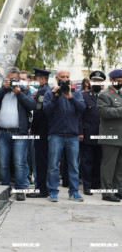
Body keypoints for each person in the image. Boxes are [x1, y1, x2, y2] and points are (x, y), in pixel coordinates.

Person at [0, 67, 36, 201]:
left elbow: (32, 105)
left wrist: (18, 93)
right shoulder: (2, 90)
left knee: (19, 162)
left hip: (19, 133)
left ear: (19, 79)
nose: (11, 81)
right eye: (9, 79)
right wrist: (4, 88)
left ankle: (20, 190)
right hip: (3, 133)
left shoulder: (25, 90)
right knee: (3, 163)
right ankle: (5, 189)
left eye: (14, 79)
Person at [43, 69, 86, 202]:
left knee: (74, 165)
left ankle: (74, 192)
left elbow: (82, 108)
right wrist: (56, 96)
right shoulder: (50, 93)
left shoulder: (76, 92)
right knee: (53, 165)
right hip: (56, 134)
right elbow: (46, 111)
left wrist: (71, 97)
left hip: (72, 135)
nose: (65, 79)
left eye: (67, 77)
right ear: (56, 78)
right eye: (62, 77)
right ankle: (53, 192)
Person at [97, 69, 122, 202]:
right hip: (110, 135)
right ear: (112, 80)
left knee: (120, 166)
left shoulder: (120, 94)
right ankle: (107, 193)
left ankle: (118, 190)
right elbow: (105, 112)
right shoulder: (105, 95)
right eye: (120, 81)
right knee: (109, 166)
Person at [79, 71, 106, 195]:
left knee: (98, 161)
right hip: (88, 134)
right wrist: (80, 132)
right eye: (95, 81)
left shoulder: (106, 96)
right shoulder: (83, 96)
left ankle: (96, 184)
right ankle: (87, 185)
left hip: (102, 135)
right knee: (86, 161)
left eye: (99, 81)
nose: (97, 83)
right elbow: (79, 116)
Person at [27, 67, 51, 198]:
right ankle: (43, 187)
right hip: (45, 130)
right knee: (43, 160)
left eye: (35, 79)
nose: (33, 81)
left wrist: (33, 127)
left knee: (41, 161)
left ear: (42, 79)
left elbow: (38, 113)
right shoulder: (44, 91)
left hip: (41, 130)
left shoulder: (43, 92)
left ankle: (42, 189)